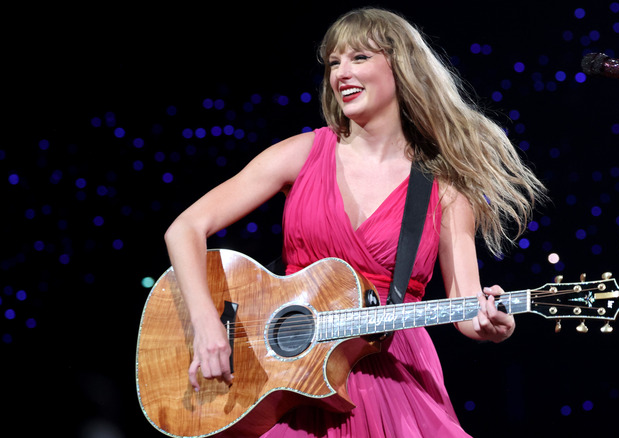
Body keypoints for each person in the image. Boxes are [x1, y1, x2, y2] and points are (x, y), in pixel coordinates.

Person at [164, 7, 546, 437]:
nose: (341, 73)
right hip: (290, 377)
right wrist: (206, 325)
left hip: (388, 376)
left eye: (359, 58)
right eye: (333, 63)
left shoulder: (444, 187)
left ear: (401, 67)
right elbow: (185, 228)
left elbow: (465, 304)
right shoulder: (302, 153)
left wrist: (492, 325)